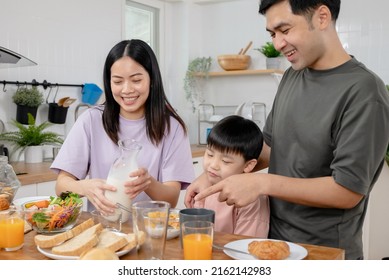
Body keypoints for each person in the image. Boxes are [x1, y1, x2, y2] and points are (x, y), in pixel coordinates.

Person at [185, 0, 389, 259]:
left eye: (285, 30)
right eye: (272, 34)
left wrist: (261, 183)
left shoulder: (364, 91)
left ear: (322, 17)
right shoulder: (293, 75)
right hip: (270, 243)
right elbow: (269, 148)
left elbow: (347, 191)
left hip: (323, 253)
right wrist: (215, 175)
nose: (279, 43)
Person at [51, 39, 195, 214]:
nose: (126, 90)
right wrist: (83, 187)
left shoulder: (171, 128)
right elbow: (61, 186)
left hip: (149, 231)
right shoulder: (91, 120)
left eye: (136, 80)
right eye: (118, 82)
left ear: (152, 79)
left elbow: (171, 199)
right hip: (102, 231)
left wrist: (148, 183)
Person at [194, 115, 269, 237]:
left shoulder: (251, 200)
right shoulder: (204, 188)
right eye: (210, 154)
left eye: (226, 161)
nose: (213, 165)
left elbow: (246, 247)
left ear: (248, 165)